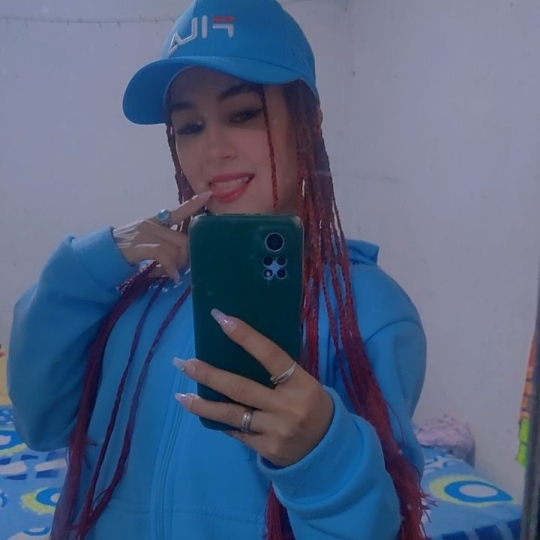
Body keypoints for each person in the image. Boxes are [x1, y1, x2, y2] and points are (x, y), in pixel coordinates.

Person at [7, 0, 427, 538]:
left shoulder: (368, 312)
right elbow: (40, 422)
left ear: (309, 120)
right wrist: (79, 273)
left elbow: (383, 523)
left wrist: (322, 455)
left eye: (243, 114)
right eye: (189, 125)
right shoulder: (131, 290)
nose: (213, 150)